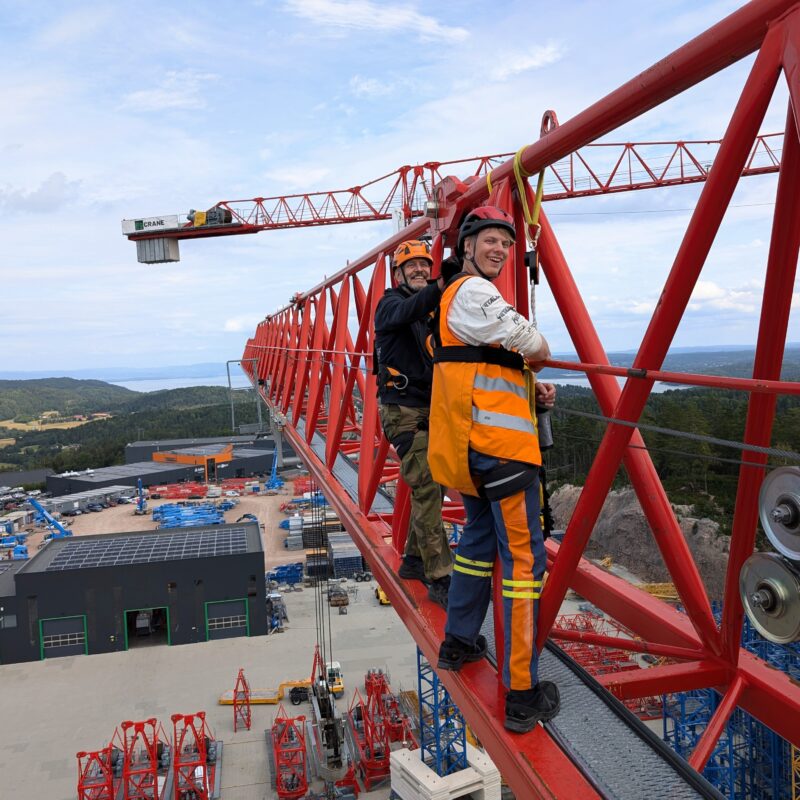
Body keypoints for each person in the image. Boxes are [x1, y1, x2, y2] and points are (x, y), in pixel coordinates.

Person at [428, 206, 560, 733]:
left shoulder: (454, 299)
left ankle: (459, 641)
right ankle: (523, 694)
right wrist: (537, 359)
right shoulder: (474, 293)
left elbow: (487, 369)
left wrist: (530, 386)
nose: (500, 250)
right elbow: (536, 346)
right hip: (502, 455)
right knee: (525, 571)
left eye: (506, 243)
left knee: (478, 549)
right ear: (466, 246)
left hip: (470, 454)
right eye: (489, 240)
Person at [373, 239, 454, 609]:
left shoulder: (425, 313)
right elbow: (409, 308)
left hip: (426, 409)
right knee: (425, 489)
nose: (421, 270)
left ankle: (415, 561)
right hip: (403, 413)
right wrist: (440, 286)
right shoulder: (390, 305)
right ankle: (441, 577)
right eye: (412, 267)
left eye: (426, 265)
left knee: (433, 489)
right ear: (397, 274)